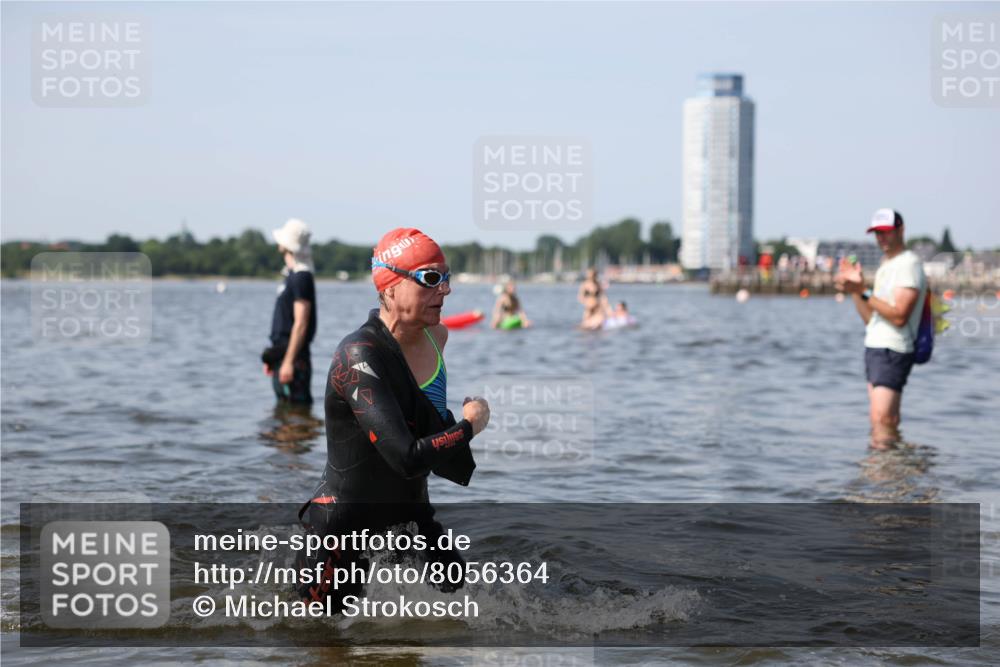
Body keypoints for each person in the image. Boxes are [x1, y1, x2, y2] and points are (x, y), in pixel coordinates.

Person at [294, 227, 490, 609]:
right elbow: (405, 457)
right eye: (431, 278)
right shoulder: (356, 356)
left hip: (411, 518)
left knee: (463, 609)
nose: (446, 290)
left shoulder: (436, 336)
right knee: (318, 636)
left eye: (447, 277)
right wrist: (469, 426)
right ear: (390, 286)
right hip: (343, 534)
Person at [835, 208, 927, 449]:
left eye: (886, 231)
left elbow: (899, 316)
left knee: (882, 421)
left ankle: (885, 469)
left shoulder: (907, 264)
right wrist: (856, 290)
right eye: (877, 233)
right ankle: (891, 468)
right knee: (883, 421)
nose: (881, 238)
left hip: (892, 350)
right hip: (876, 348)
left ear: (901, 230)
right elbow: (871, 319)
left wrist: (863, 291)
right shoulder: (887, 264)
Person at [262, 218, 317, 404]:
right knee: (283, 411)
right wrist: (274, 358)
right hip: (283, 354)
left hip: (294, 358)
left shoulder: (302, 277)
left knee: (295, 410)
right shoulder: (292, 275)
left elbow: (301, 323)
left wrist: (288, 362)